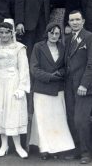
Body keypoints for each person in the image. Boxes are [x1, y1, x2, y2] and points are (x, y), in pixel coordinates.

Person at [29, 22, 75, 159]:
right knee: (43, 120)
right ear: (47, 33)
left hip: (58, 89)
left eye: (57, 34)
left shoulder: (62, 47)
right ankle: (44, 149)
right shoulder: (38, 47)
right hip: (42, 89)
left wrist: (59, 74)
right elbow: (34, 69)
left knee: (57, 120)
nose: (54, 36)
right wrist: (50, 76)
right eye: (51, 33)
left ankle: (56, 148)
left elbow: (66, 66)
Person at [0, 20, 30, 159]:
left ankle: (18, 146)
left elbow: (24, 69)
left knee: (13, 112)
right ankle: (4, 145)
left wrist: (22, 88)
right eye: (2, 32)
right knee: (1, 111)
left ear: (12, 33)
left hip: (14, 81)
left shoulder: (19, 47)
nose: (4, 35)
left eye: (7, 32)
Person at [64, 10, 92, 164]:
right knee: (72, 119)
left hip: (85, 86)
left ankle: (86, 152)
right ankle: (77, 149)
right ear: (69, 22)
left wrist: (84, 84)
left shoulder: (91, 37)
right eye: (72, 20)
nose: (75, 22)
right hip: (70, 86)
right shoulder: (68, 38)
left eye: (78, 19)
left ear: (83, 21)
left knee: (81, 119)